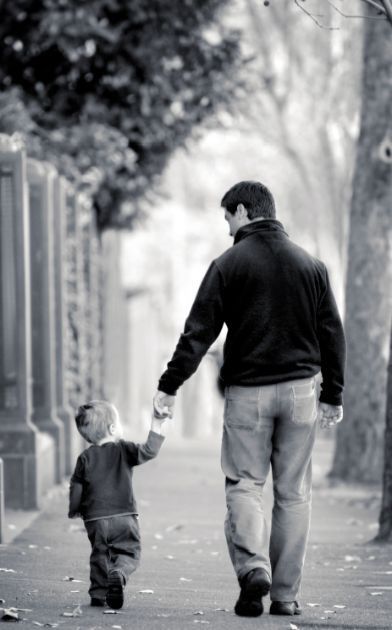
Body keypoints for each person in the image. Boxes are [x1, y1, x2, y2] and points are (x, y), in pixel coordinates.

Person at [153, 181, 345, 617]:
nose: (226, 228)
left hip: (248, 394)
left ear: (243, 210)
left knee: (245, 484)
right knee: (294, 494)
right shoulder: (312, 265)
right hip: (301, 392)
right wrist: (333, 393)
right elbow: (332, 333)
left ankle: (253, 568)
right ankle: (285, 596)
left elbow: (198, 332)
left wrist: (169, 384)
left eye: (227, 217)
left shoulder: (228, 264)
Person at [68, 400, 167, 609]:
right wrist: (157, 424)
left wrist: (74, 509)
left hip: (94, 518)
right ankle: (119, 573)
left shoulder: (85, 457)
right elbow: (149, 451)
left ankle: (98, 593)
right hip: (124, 516)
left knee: (99, 553)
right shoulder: (124, 449)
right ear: (113, 428)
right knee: (129, 551)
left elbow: (76, 486)